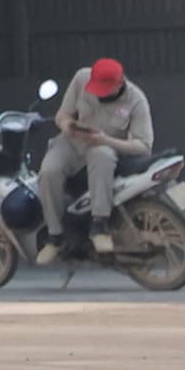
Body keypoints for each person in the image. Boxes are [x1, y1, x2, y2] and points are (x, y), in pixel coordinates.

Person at [40, 57, 152, 249]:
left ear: (119, 84)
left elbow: (143, 145)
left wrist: (105, 140)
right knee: (48, 171)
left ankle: (100, 225)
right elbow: (62, 115)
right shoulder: (81, 78)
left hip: (105, 145)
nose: (99, 94)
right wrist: (66, 125)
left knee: (102, 156)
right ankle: (55, 235)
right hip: (72, 141)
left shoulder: (136, 100)